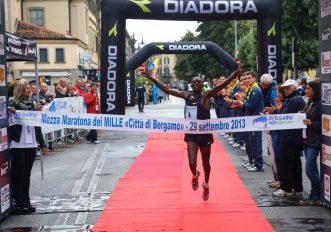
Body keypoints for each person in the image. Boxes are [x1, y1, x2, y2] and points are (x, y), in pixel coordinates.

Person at [142, 68, 242, 201]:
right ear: (191, 84)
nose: (196, 84)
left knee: (206, 162)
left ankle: (206, 184)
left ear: (202, 85)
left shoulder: (206, 95)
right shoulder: (186, 95)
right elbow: (166, 90)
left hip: (205, 134)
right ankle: (195, 174)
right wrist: (150, 78)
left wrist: (232, 76)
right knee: (192, 162)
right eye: (194, 82)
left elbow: (221, 86)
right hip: (191, 134)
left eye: (198, 82)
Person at [8, 79, 47, 214]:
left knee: (27, 174)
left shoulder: (33, 104)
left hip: (31, 142)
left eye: (30, 89)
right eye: (26, 88)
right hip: (18, 143)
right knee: (19, 174)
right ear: (20, 90)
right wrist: (11, 112)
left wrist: (42, 143)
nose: (29, 90)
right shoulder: (13, 102)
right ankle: (18, 202)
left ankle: (26, 201)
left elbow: (37, 125)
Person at [267, 79, 306, 197]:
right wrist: (279, 109)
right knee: (294, 164)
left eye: (287, 88)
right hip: (293, 136)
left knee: (286, 163)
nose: (285, 90)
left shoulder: (293, 100)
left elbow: (285, 118)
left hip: (290, 136)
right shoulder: (294, 99)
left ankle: (286, 188)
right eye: (284, 88)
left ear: (294, 88)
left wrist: (275, 111)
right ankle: (297, 188)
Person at [302, 80, 321, 204]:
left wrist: (312, 123)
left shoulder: (320, 105)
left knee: (309, 170)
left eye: (308, 89)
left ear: (315, 91)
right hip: (307, 140)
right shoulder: (309, 103)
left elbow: (325, 124)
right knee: (313, 169)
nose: (305, 91)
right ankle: (315, 196)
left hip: (315, 141)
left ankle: (323, 190)